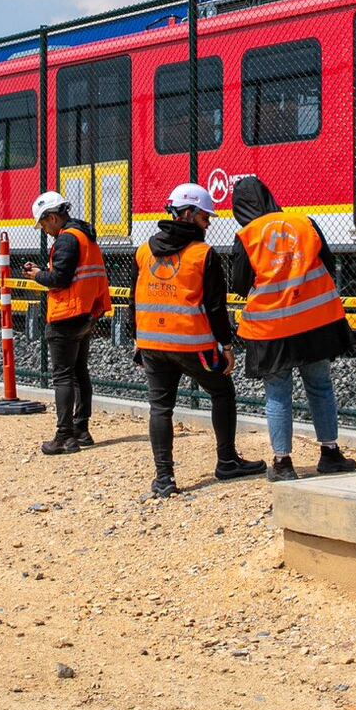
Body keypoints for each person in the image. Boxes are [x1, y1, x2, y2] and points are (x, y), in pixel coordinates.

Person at [133, 183, 265, 498]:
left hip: (152, 344)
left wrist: (135, 339)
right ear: (190, 214)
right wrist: (227, 346)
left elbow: (134, 302)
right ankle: (227, 460)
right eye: (205, 217)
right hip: (192, 345)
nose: (208, 223)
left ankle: (164, 479)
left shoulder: (144, 250)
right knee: (222, 392)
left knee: (160, 408)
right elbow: (217, 308)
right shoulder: (203, 255)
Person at [226, 175, 356, 482]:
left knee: (278, 392)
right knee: (320, 386)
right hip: (315, 323)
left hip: (272, 328)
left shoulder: (247, 236)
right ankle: (330, 453)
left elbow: (240, 284)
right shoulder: (305, 222)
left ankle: (283, 464)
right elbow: (325, 260)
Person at [17, 191, 110, 456]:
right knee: (79, 372)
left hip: (66, 316)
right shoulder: (84, 236)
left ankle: (65, 436)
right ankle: (81, 430)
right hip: (85, 313)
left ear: (54, 217)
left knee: (63, 376)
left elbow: (59, 278)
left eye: (44, 224)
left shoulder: (67, 239)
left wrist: (37, 275)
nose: (44, 230)